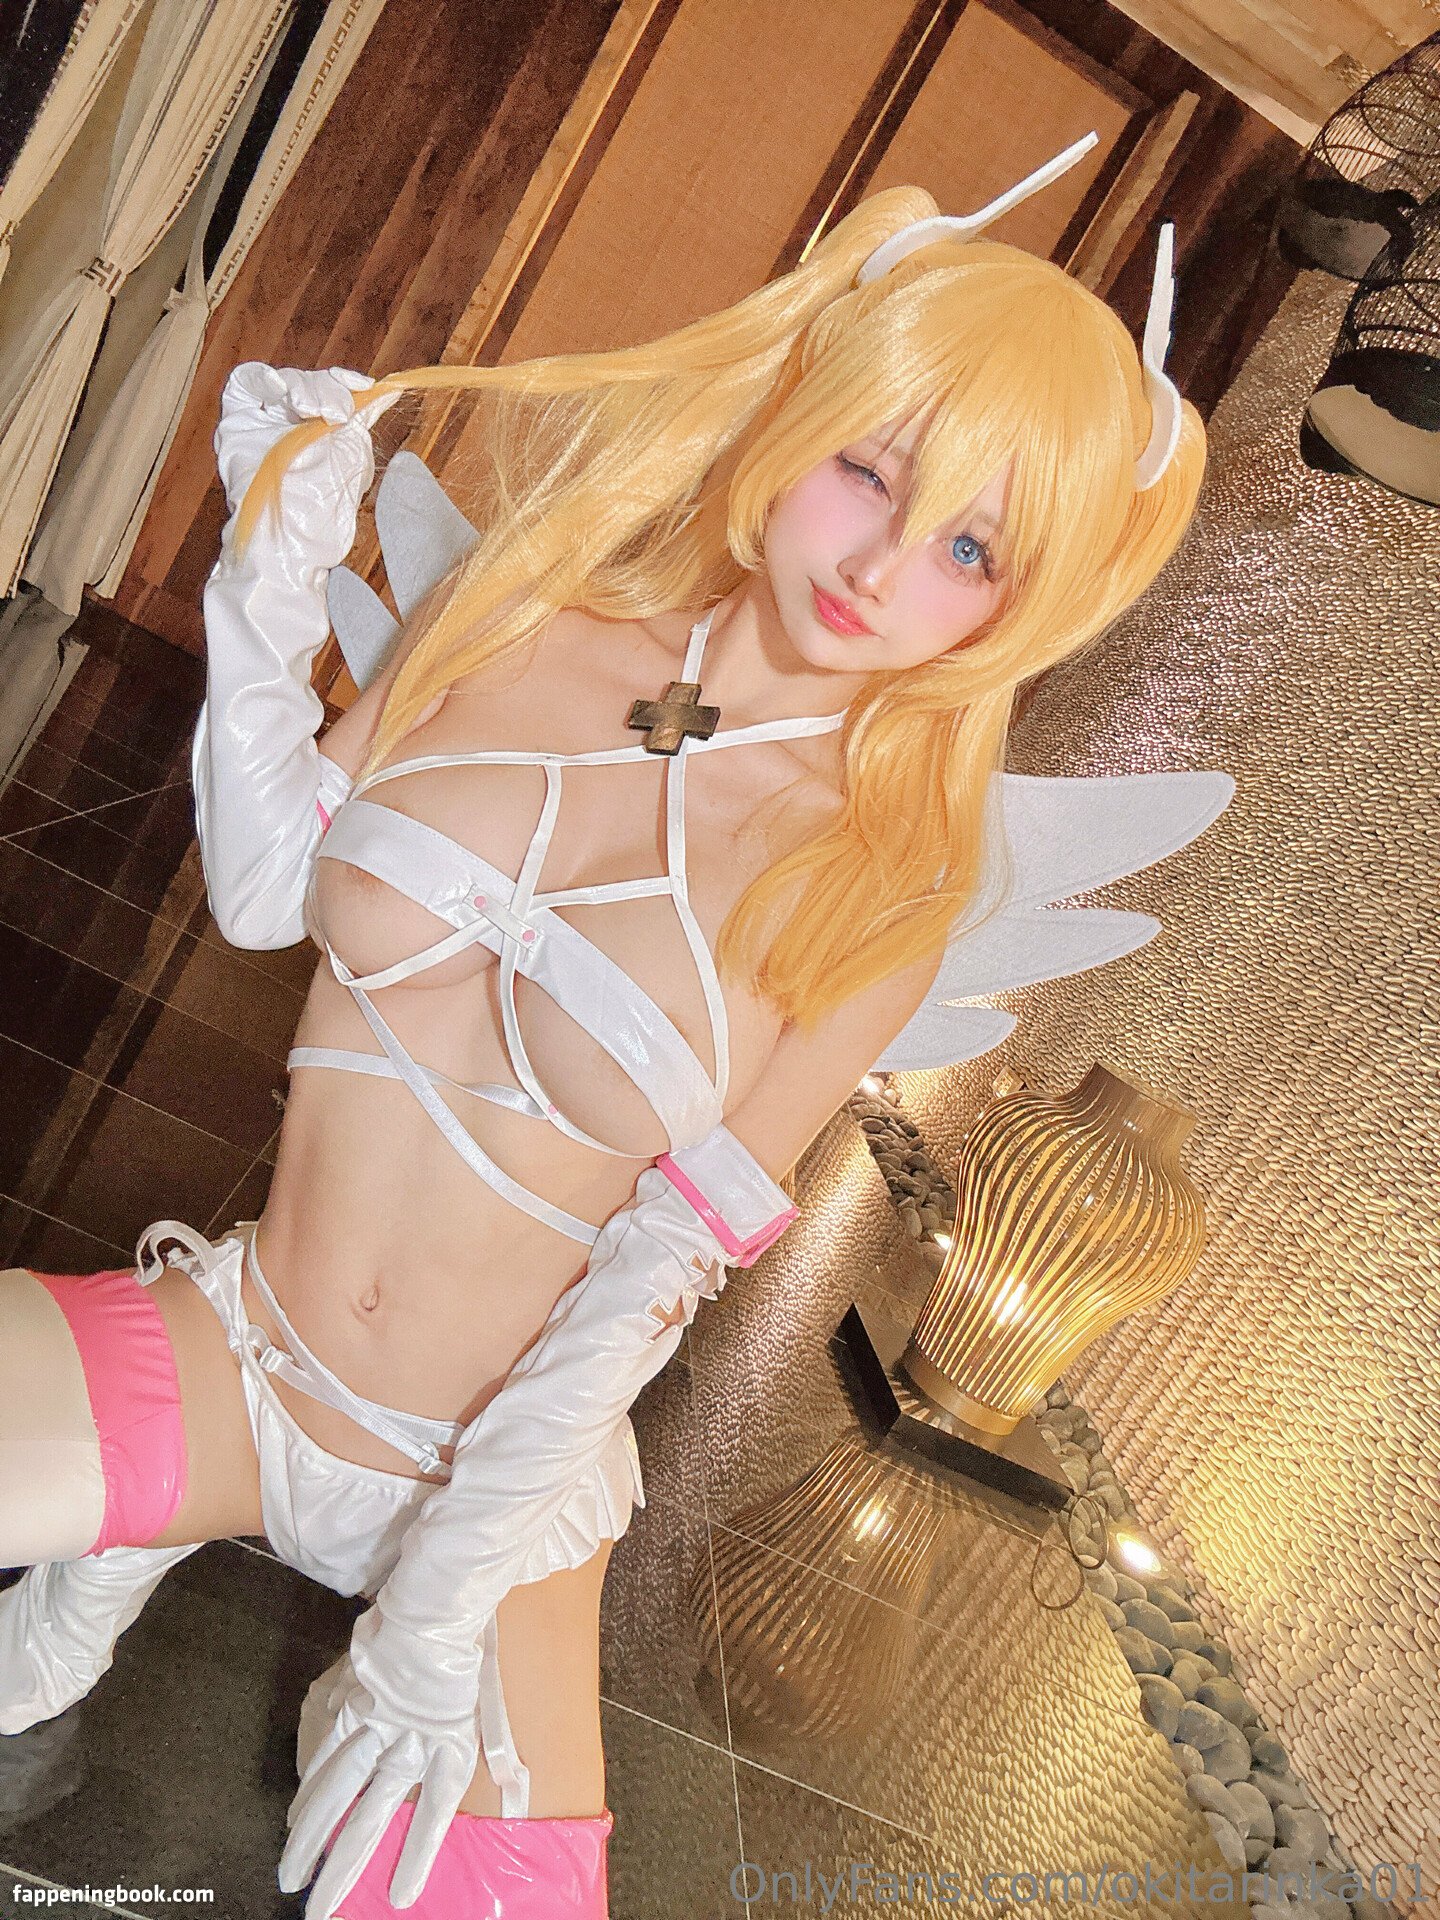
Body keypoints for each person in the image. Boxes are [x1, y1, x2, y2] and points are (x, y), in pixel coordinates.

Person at [0, 173, 1206, 1918]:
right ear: (799, 409)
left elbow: (652, 1282)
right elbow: (264, 895)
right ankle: (118, 1545)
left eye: (971, 551)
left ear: (1017, 609)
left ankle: (129, 1567)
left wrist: (430, 1616)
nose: (880, 566)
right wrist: (266, 579)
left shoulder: (879, 884)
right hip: (243, 1349)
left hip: (497, 1505)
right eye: (872, 468)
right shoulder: (521, 614)